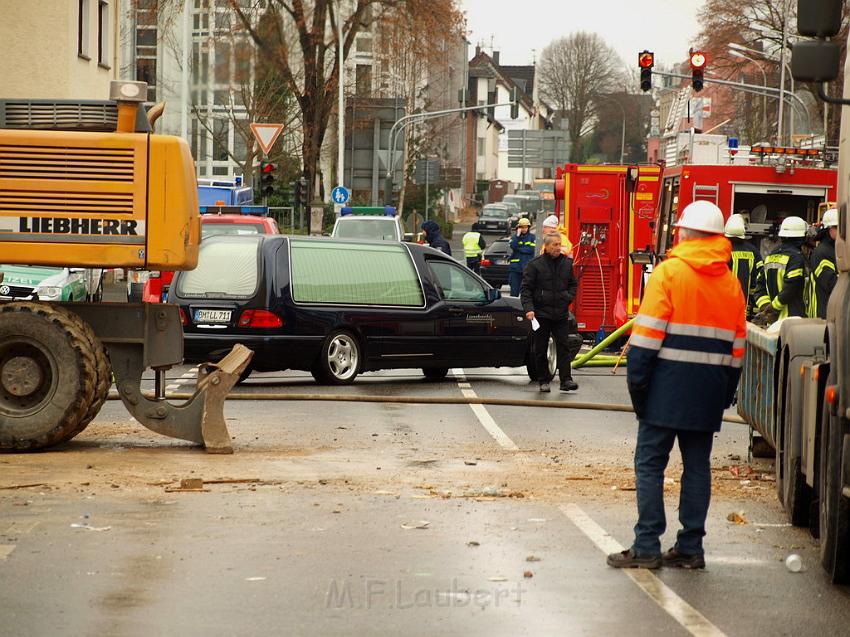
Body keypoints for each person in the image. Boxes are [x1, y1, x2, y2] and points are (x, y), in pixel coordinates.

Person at [608, 200, 746, 570]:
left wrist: (639, 391)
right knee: (697, 467)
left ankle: (647, 545)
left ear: (684, 233)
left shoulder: (668, 274)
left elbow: (645, 343)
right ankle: (690, 548)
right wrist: (723, 393)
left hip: (664, 391)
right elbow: (737, 352)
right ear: (718, 239)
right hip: (707, 392)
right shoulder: (731, 284)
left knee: (650, 465)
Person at [520, 232, 580, 393]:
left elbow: (573, 285)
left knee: (564, 346)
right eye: (555, 245)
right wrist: (529, 309)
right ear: (546, 247)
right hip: (541, 315)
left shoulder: (567, 264)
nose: (558, 248)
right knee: (540, 348)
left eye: (559, 245)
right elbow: (526, 289)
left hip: (560, 313)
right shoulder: (535, 265)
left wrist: (567, 297)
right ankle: (543, 380)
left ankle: (566, 380)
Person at [754, 216, 809, 322]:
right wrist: (773, 308)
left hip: (773, 323)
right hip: (792, 321)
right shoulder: (796, 258)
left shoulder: (770, 256)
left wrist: (765, 306)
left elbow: (759, 285)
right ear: (801, 237)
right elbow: (791, 287)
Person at [724, 213, 764, 316]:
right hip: (744, 310)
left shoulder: (722, 250)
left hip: (723, 309)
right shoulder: (753, 251)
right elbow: (760, 280)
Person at [808, 208, 838, 319]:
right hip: (822, 316)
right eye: (836, 227)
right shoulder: (822, 252)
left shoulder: (835, 250)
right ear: (827, 229)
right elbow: (831, 283)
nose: (841, 231)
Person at [508, 218, 536, 296]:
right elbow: (513, 245)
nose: (524, 229)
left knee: (527, 292)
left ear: (528, 227)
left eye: (525, 227)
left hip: (527, 269)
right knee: (514, 292)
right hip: (515, 269)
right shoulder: (514, 237)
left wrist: (518, 248)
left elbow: (530, 250)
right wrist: (517, 236)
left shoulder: (532, 237)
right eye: (522, 227)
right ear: (518, 228)